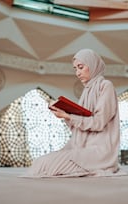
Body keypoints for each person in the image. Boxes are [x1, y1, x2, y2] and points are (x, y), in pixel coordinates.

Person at [27, 48, 120, 177]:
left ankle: (104, 165)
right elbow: (77, 128)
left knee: (47, 165)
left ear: (92, 65)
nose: (77, 73)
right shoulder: (86, 91)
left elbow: (98, 123)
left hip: (99, 151)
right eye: (75, 69)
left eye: (81, 67)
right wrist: (64, 115)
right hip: (81, 147)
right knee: (40, 163)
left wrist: (68, 116)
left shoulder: (105, 86)